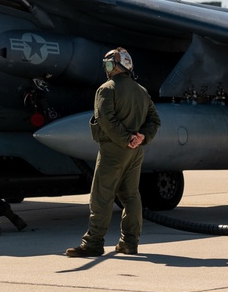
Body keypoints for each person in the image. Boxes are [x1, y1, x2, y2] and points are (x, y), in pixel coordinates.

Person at [66, 47, 161, 257]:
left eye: (108, 64)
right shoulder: (141, 91)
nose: (106, 69)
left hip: (113, 150)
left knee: (101, 195)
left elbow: (106, 120)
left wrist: (127, 139)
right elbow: (154, 120)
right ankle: (130, 242)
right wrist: (141, 137)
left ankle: (93, 242)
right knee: (131, 195)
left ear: (118, 66)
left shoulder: (106, 90)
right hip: (135, 152)